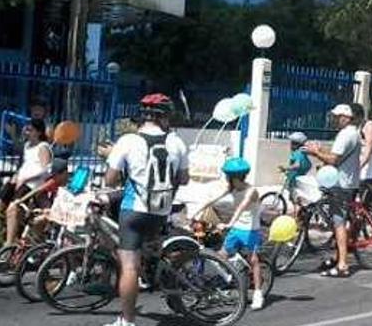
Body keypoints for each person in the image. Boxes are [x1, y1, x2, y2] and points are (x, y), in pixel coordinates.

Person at [103, 93, 189, 326]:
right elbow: (184, 179)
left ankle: (127, 320)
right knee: (150, 246)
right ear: (165, 117)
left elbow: (109, 180)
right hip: (161, 211)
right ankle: (158, 272)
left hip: (133, 210)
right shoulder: (177, 143)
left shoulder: (128, 141)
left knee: (129, 265)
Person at [191, 158, 264, 310]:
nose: (226, 178)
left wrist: (229, 223)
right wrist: (196, 211)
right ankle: (234, 272)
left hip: (251, 230)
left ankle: (258, 293)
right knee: (220, 257)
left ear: (235, 176)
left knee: (254, 260)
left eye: (227, 176)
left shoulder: (251, 191)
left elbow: (242, 207)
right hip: (237, 229)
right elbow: (212, 199)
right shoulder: (231, 188)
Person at [304, 104, 361, 278]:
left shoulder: (345, 135)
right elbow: (337, 155)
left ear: (346, 117)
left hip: (342, 184)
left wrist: (315, 153)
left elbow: (334, 160)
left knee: (339, 223)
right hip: (346, 182)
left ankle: (343, 264)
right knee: (338, 221)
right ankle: (338, 258)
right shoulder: (353, 133)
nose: (335, 119)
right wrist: (321, 150)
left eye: (337, 116)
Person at [3, 119, 53, 244]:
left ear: (38, 132)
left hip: (32, 184)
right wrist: (18, 175)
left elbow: (46, 170)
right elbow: (26, 163)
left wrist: (27, 178)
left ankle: (9, 243)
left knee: (13, 208)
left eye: (30, 130)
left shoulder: (43, 147)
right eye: (26, 129)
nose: (26, 132)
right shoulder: (27, 146)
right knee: (1, 201)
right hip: (20, 181)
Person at [6, 158, 70, 244]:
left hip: (59, 213)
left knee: (39, 222)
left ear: (64, 173)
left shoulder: (69, 185)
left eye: (56, 175)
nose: (53, 177)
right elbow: (37, 190)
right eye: (53, 175)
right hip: (48, 210)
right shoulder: (52, 182)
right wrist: (21, 200)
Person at [352, 104, 372, 211]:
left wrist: (358, 166)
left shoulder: (369, 126)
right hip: (358, 171)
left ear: (357, 116)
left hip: (369, 171)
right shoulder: (355, 128)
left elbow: (368, 151)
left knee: (368, 206)